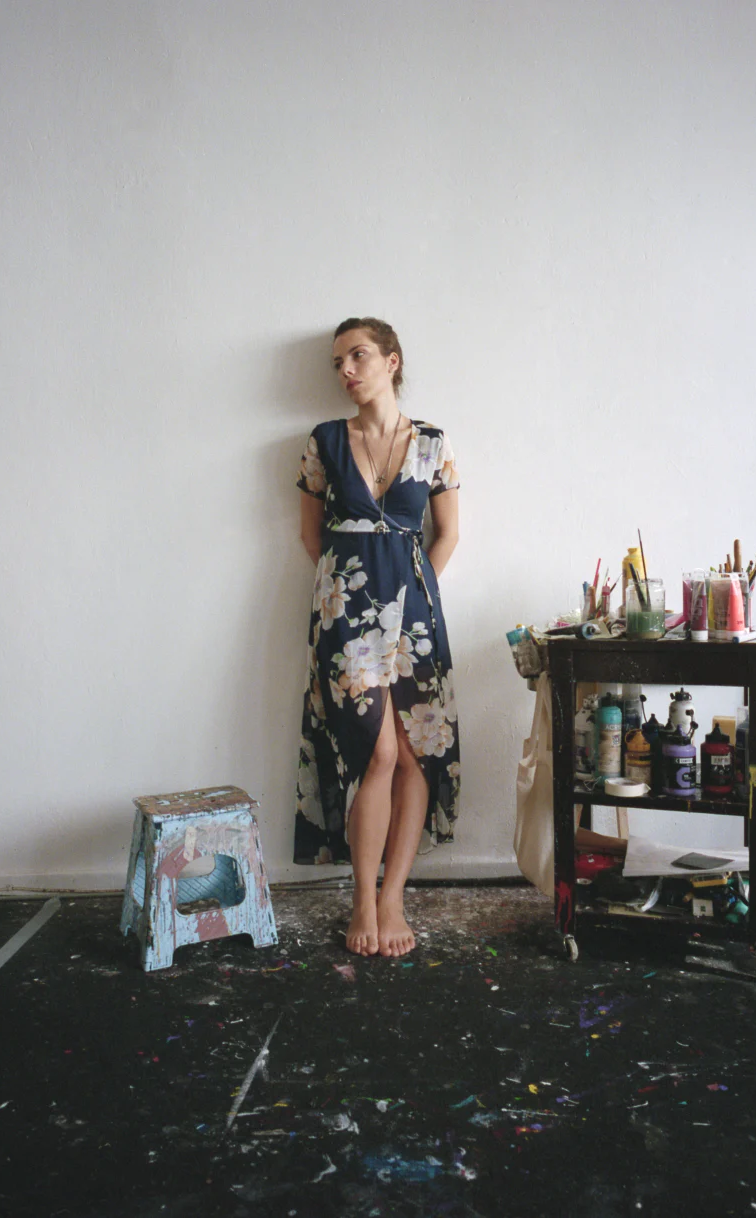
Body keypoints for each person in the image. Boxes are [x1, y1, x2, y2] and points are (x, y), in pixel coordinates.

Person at [295, 318, 460, 958]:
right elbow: (311, 537)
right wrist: (351, 592)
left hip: (416, 616)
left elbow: (447, 534)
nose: (346, 371)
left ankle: (393, 898)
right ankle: (362, 899)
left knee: (415, 754)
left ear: (392, 360)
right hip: (347, 615)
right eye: (338, 362)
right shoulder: (324, 441)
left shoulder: (433, 443)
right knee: (377, 753)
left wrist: (413, 595)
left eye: (357, 356)